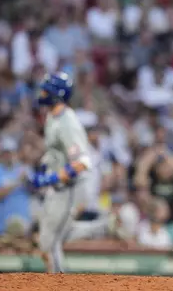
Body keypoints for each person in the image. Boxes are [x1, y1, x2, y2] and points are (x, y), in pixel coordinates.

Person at [30, 72, 115, 273]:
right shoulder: (52, 115)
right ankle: (101, 227)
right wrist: (45, 167)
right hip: (59, 185)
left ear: (56, 94)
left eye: (46, 89)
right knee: (54, 234)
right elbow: (55, 151)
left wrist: (50, 177)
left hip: (69, 186)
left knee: (48, 240)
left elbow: (82, 162)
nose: (42, 92)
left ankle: (56, 282)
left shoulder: (68, 122)